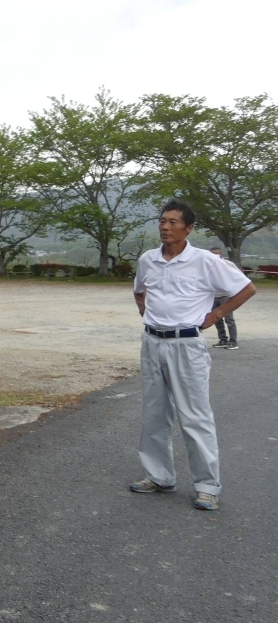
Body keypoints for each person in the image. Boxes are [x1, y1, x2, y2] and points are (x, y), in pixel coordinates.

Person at [129, 199, 256, 511]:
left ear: (189, 228)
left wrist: (215, 315)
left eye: (173, 222)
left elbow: (246, 288)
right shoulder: (148, 259)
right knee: (155, 414)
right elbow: (139, 290)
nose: (165, 226)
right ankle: (160, 477)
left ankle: (207, 486)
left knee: (195, 416)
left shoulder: (205, 261)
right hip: (152, 342)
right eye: (162, 221)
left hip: (186, 344)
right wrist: (147, 315)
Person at [209, 247, 240, 349]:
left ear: (221, 255)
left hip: (226, 296)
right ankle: (223, 339)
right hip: (213, 296)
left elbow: (240, 277)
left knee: (229, 319)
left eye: (217, 254)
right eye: (212, 254)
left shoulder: (228, 264)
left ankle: (233, 341)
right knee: (217, 319)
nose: (215, 256)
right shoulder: (208, 266)